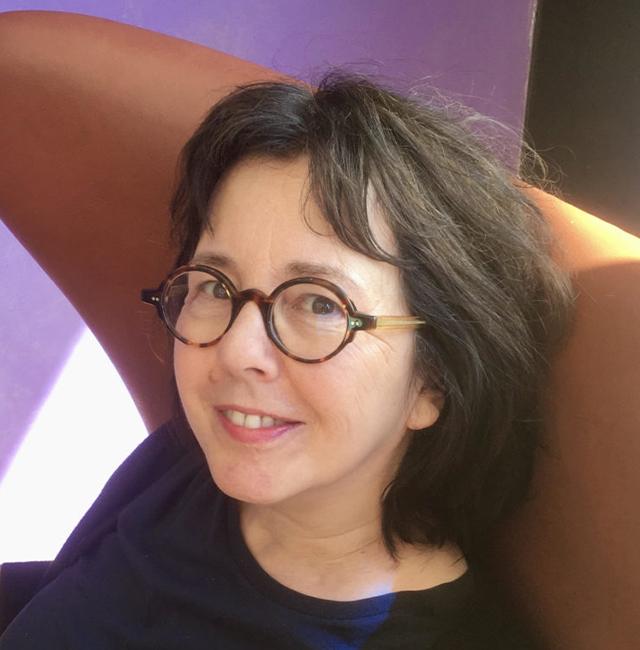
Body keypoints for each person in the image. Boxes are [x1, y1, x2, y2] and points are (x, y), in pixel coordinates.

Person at [0, 72, 573, 648]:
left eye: (320, 304)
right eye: (216, 286)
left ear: (433, 383)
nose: (236, 351)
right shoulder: (180, 466)